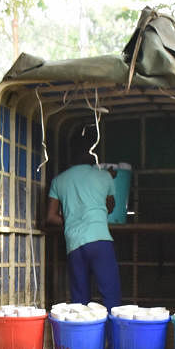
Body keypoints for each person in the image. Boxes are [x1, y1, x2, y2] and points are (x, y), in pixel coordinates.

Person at [46, 129, 122, 308]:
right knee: (111, 297)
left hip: (74, 245)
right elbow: (111, 207)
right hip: (100, 240)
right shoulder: (105, 176)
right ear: (92, 153)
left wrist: (73, 219)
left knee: (79, 302)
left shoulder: (59, 180)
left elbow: (50, 217)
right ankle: (114, 337)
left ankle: (84, 336)